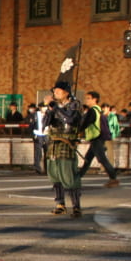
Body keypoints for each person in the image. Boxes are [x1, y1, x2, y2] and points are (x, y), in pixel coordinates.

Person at [45, 82, 83, 216]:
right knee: (54, 175)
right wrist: (49, 111)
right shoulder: (54, 107)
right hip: (53, 145)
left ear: (66, 92)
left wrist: (55, 109)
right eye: (54, 91)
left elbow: (70, 120)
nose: (55, 93)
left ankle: (76, 206)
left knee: (69, 176)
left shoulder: (74, 105)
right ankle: (60, 203)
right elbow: (45, 123)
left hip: (67, 144)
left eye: (58, 91)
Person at [77, 91, 120, 187]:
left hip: (97, 138)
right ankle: (78, 177)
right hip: (97, 138)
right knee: (88, 158)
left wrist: (78, 131)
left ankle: (113, 178)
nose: (86, 100)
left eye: (88, 98)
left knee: (102, 159)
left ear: (94, 99)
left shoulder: (92, 110)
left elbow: (85, 123)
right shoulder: (98, 109)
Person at [29, 100, 48, 175]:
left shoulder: (48, 114)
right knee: (38, 152)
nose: (44, 108)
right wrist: (33, 135)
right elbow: (31, 125)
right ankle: (37, 168)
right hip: (38, 134)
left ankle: (47, 169)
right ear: (40, 108)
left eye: (45, 107)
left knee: (47, 152)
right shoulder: (35, 115)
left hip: (47, 134)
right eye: (43, 107)